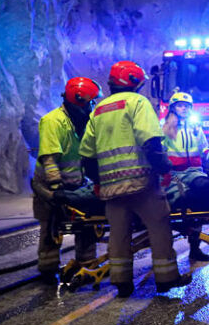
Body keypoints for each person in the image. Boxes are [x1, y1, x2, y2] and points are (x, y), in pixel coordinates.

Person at [79, 60, 191, 297]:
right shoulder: (138, 103)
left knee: (118, 236)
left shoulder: (98, 110)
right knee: (159, 227)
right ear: (135, 83)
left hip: (111, 189)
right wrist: (164, 168)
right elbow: (151, 142)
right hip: (142, 185)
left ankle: (121, 283)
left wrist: (99, 182)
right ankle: (166, 278)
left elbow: (87, 156)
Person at [31, 77, 102, 284]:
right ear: (79, 100)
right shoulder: (53, 122)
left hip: (77, 184)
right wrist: (56, 189)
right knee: (51, 228)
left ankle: (87, 265)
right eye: (91, 102)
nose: (93, 105)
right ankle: (48, 269)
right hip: (50, 186)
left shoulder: (86, 122)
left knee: (86, 225)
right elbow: (49, 159)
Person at [161, 91, 209, 262]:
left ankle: (195, 247)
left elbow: (203, 147)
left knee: (206, 188)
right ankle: (185, 228)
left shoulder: (195, 126)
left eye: (186, 106)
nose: (183, 108)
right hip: (174, 174)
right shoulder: (163, 126)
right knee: (185, 199)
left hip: (194, 171)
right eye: (180, 105)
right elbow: (158, 151)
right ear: (173, 108)